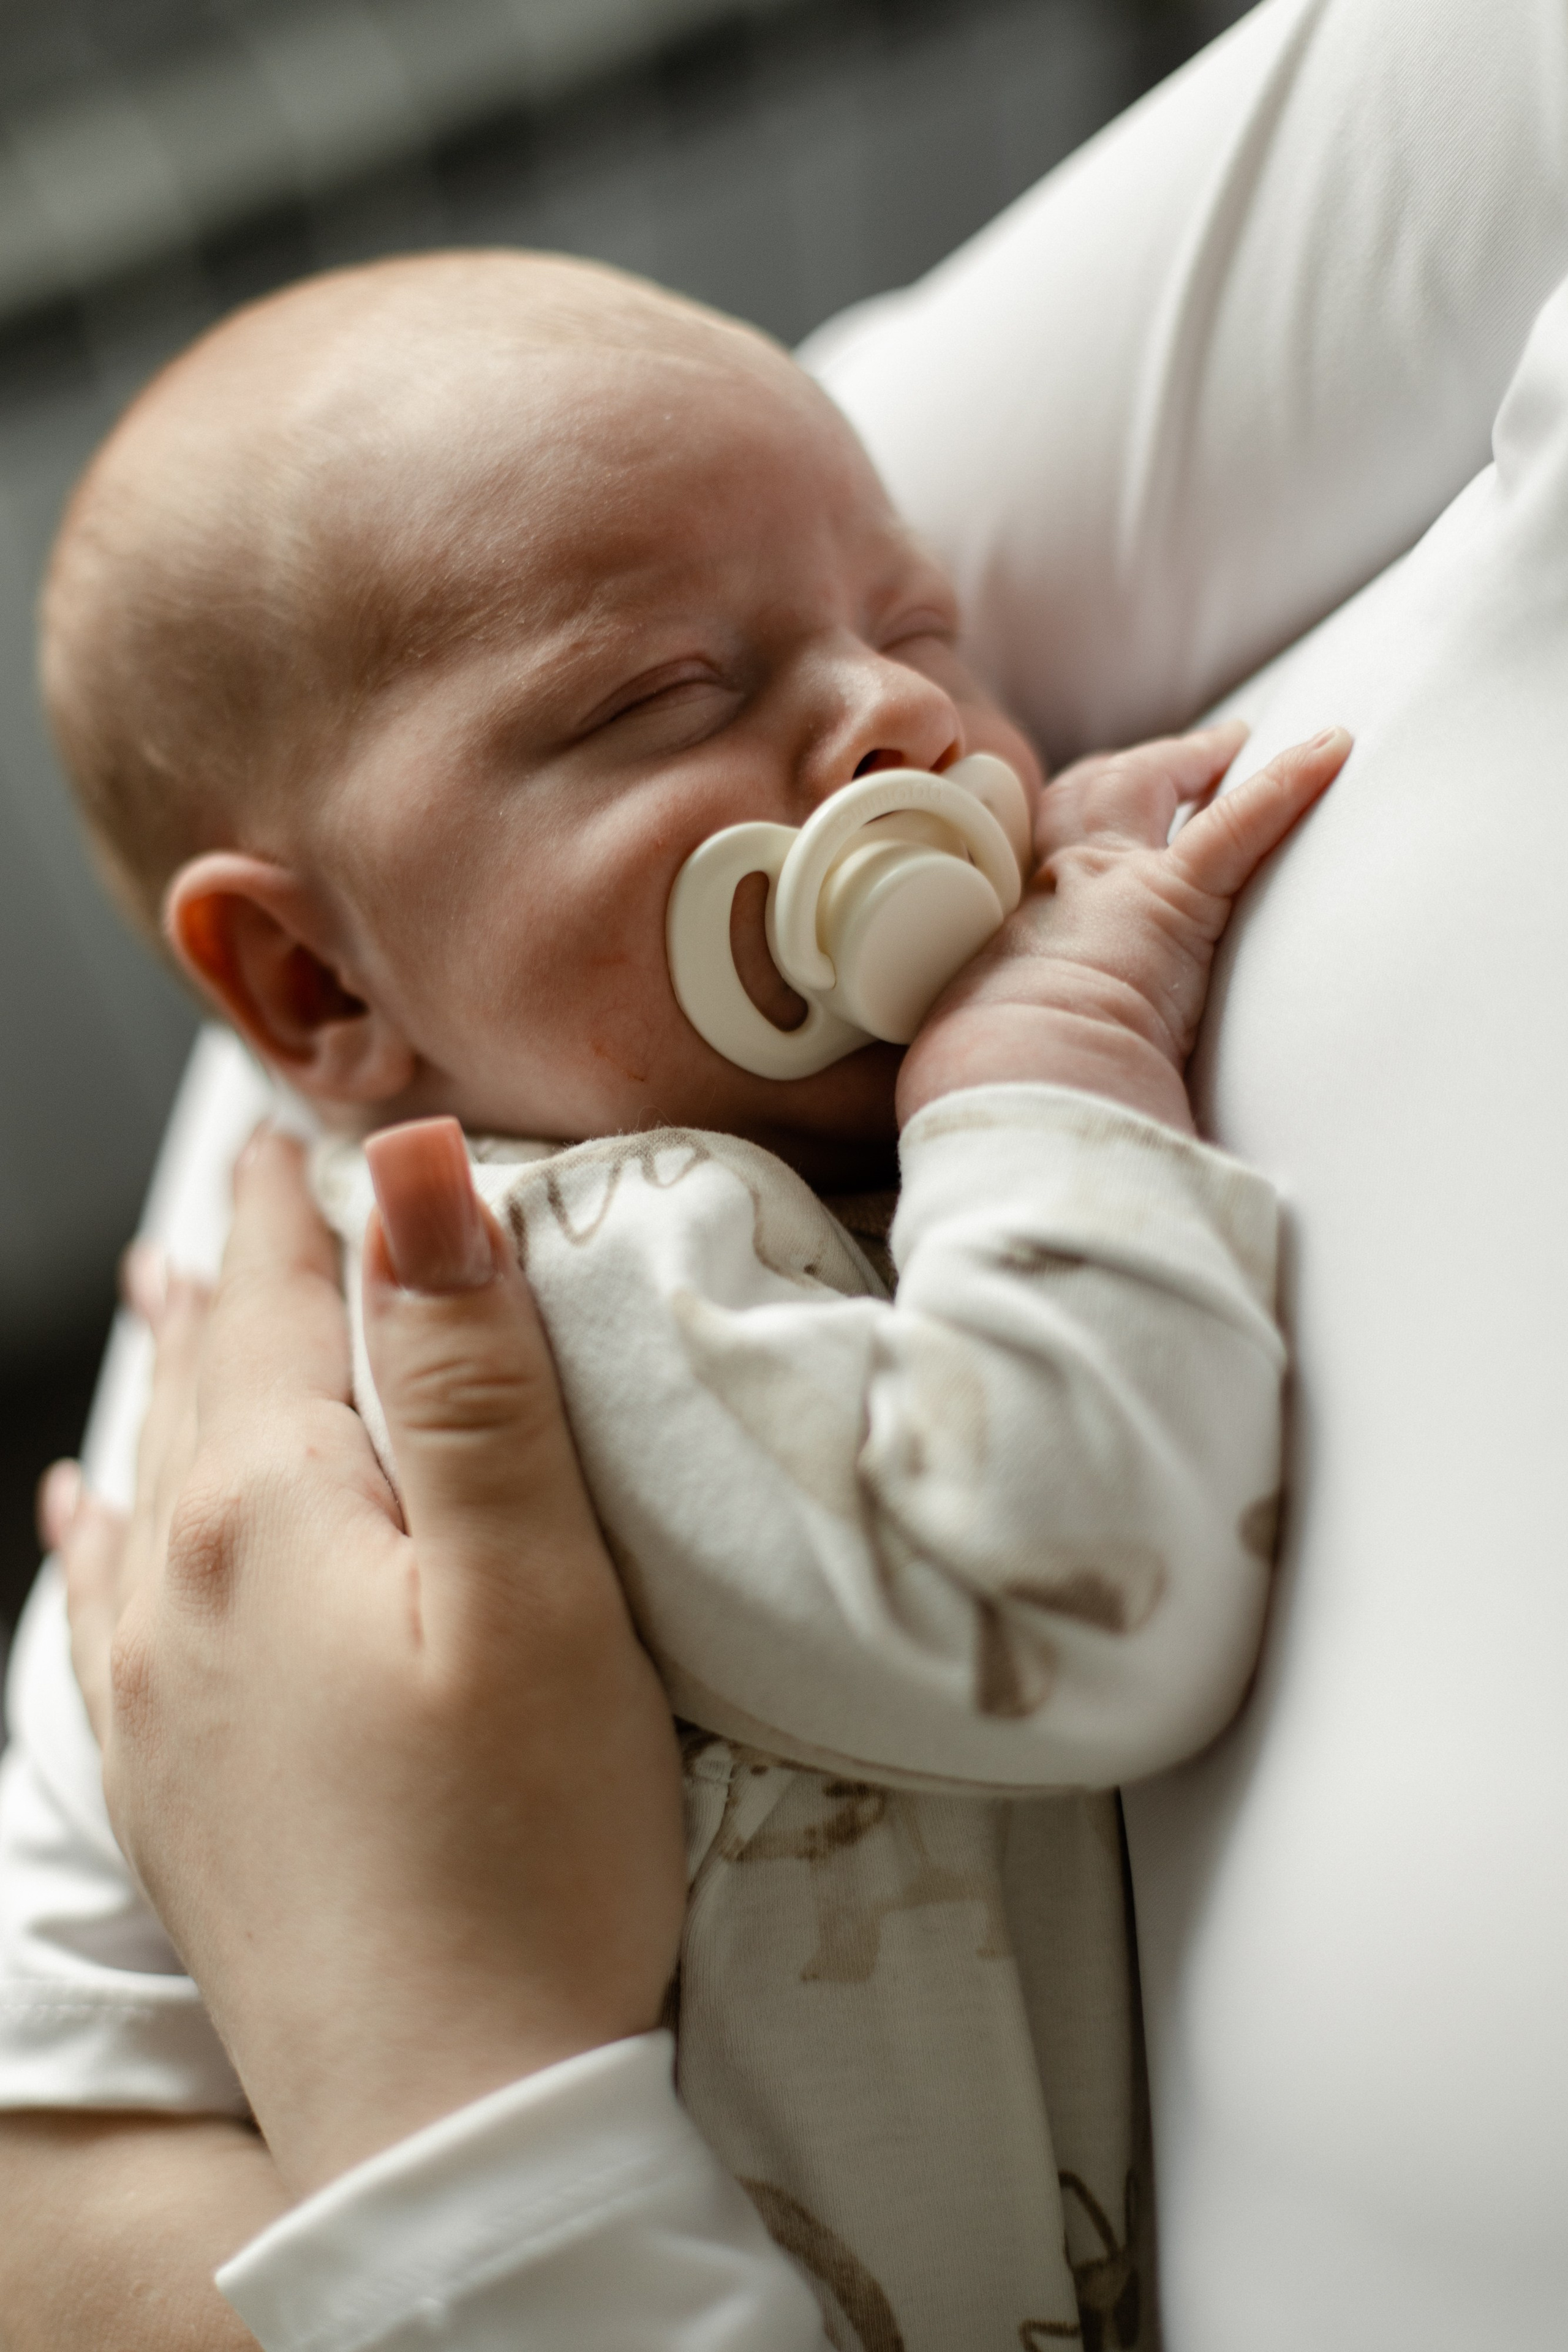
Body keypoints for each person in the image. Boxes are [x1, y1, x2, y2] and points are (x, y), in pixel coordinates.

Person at [9, 0, 1568, 2340]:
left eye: (918, 625)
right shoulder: (558, 1275)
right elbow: (1048, 1588)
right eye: (658, 696)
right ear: (320, 996)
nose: (901, 724)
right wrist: (1047, 1061)